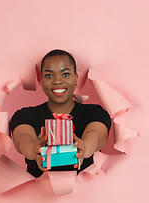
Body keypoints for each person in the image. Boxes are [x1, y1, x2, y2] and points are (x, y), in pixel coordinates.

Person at [9, 49, 111, 178]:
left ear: (76, 78)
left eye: (65, 74)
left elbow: (95, 136)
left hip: (86, 195)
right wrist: (34, 150)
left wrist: (84, 148)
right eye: (49, 76)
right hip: (37, 196)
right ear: (41, 80)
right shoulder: (25, 116)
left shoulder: (95, 113)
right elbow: (23, 140)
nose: (57, 81)